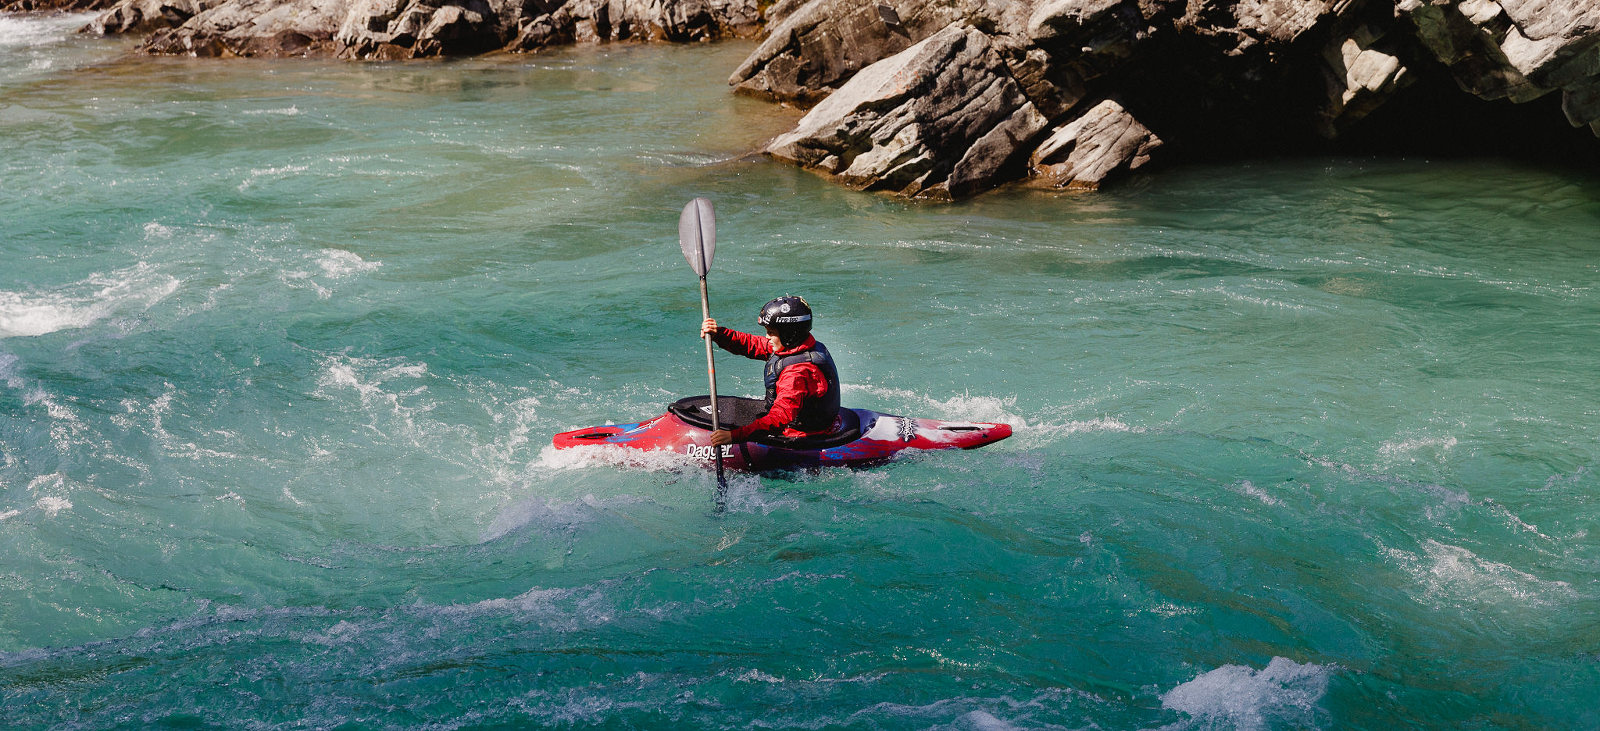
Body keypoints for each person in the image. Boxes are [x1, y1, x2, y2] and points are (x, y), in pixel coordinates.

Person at [699, 295, 841, 447]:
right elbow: (752, 345)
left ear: (789, 335)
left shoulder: (797, 373)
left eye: (771, 332)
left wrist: (734, 436)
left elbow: (779, 418)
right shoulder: (794, 347)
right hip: (798, 418)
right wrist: (718, 334)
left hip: (799, 433)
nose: (767, 336)